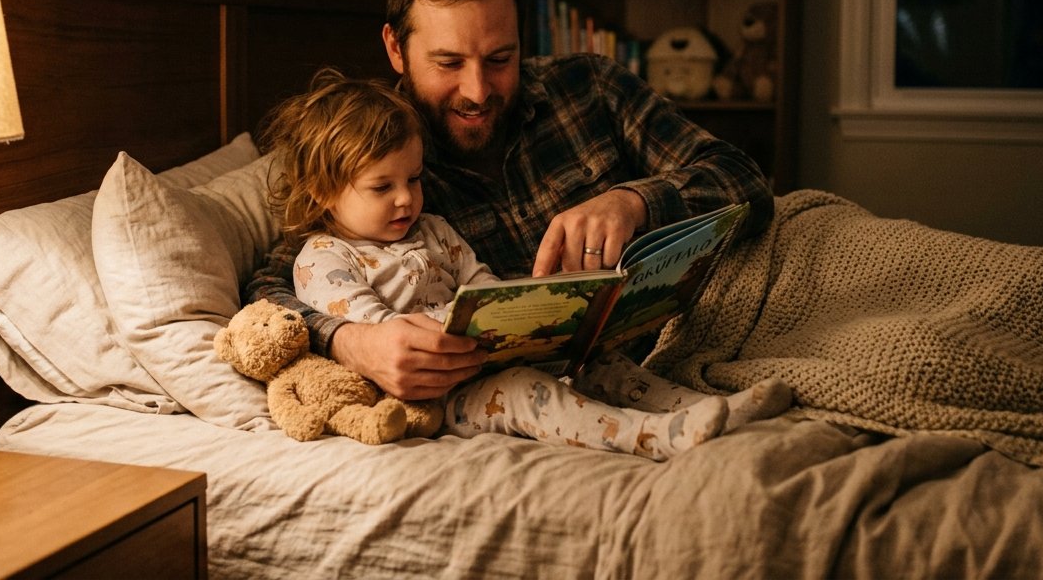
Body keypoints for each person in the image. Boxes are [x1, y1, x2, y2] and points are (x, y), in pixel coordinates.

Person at [248, 0, 774, 405]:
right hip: (545, 390)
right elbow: (269, 289)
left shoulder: (591, 87)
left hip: (694, 338)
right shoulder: (371, 155)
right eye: (448, 63)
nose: (477, 92)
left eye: (500, 59)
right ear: (395, 48)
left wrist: (632, 201)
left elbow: (743, 178)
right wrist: (354, 343)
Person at [260, 67, 791, 459]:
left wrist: (522, 315)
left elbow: (481, 281)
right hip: (438, 391)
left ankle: (698, 406)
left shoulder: (434, 230)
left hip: (485, 353)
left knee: (599, 364)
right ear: (323, 192)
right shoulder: (323, 258)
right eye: (383, 187)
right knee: (525, 396)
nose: (406, 199)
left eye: (414, 179)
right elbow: (372, 328)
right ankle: (647, 437)